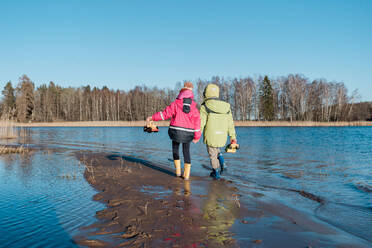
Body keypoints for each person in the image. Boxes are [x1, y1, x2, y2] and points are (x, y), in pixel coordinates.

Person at [147, 82, 201, 180]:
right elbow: (197, 122)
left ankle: (178, 172)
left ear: (181, 92)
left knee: (175, 150)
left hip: (176, 131)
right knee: (186, 151)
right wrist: (197, 136)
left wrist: (153, 117)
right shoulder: (193, 106)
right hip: (188, 132)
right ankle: (186, 176)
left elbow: (165, 114)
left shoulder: (176, 103)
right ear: (191, 93)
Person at [200, 84, 237, 179]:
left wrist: (197, 134)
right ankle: (222, 162)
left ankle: (216, 173)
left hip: (211, 134)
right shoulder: (226, 107)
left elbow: (201, 122)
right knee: (216, 149)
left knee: (212, 154)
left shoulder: (205, 106)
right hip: (222, 136)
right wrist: (233, 137)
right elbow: (230, 123)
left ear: (206, 93)